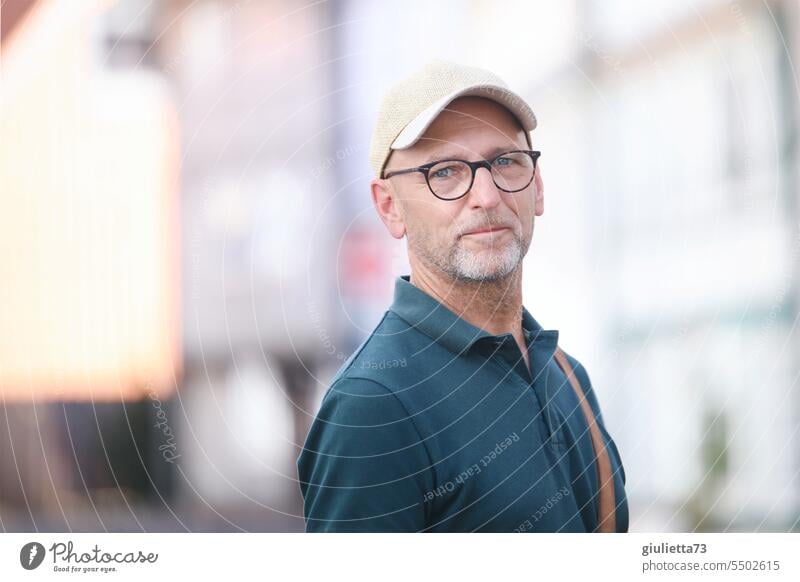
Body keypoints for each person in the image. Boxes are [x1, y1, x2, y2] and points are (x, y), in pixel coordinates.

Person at [297, 60, 629, 532]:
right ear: (390, 208)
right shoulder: (372, 407)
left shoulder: (567, 375)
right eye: (446, 171)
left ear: (536, 186)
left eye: (505, 162)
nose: (487, 195)